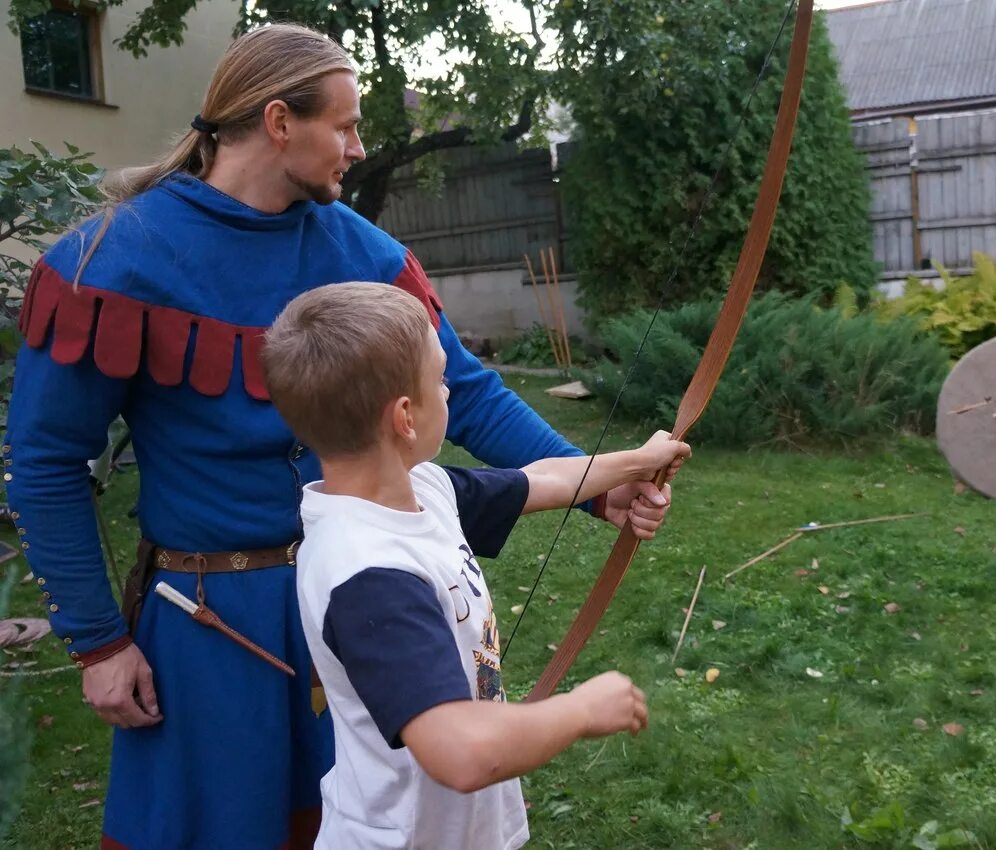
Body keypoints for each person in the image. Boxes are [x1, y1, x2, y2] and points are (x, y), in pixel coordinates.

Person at [5, 23, 676, 850]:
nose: (360, 148)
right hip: (209, 626)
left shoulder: (364, 252)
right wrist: (99, 642)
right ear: (280, 122)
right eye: (348, 126)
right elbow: (44, 461)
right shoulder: (111, 261)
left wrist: (596, 484)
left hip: (370, 604)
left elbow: (462, 393)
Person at [261, 283, 689, 849]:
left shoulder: (422, 488)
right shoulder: (369, 573)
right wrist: (581, 711)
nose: (449, 388)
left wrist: (638, 461)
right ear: (406, 417)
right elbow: (459, 751)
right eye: (440, 377)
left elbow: (545, 479)